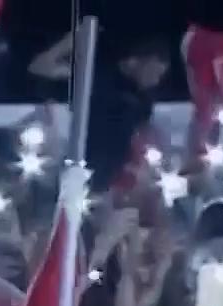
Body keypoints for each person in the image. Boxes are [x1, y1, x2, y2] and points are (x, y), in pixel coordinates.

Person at [29, 33, 172, 191]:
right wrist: (73, 39)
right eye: (155, 72)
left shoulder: (144, 98)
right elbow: (39, 67)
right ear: (135, 61)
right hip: (79, 169)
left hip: (115, 181)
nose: (156, 80)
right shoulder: (94, 75)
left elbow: (141, 133)